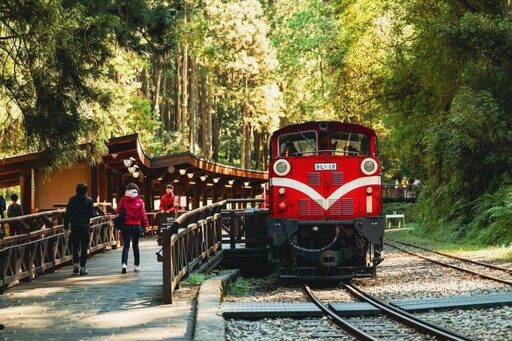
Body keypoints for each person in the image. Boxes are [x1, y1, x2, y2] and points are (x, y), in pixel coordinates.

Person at [116, 183, 149, 274]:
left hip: (126, 225)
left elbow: (118, 211)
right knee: (135, 246)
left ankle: (124, 264)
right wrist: (146, 225)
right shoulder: (140, 201)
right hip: (137, 225)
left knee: (126, 246)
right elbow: (143, 214)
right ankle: (136, 265)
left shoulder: (123, 200)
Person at [64, 183, 94, 276]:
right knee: (84, 247)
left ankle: (75, 265)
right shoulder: (89, 200)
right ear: (86, 191)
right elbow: (91, 214)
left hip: (75, 225)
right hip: (84, 226)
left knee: (75, 246)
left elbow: (67, 213)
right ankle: (83, 267)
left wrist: (65, 226)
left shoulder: (72, 200)